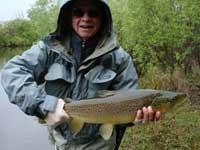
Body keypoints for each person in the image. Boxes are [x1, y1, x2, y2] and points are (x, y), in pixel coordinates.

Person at [1, 0, 161, 149]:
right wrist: (44, 104)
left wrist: (136, 117)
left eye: (93, 13)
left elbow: (128, 101)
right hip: (62, 143)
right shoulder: (48, 50)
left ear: (103, 18)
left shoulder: (119, 59)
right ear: (68, 16)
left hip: (101, 145)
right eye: (78, 12)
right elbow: (11, 72)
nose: (86, 18)